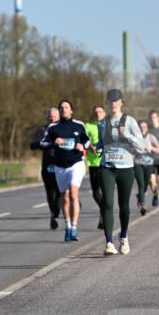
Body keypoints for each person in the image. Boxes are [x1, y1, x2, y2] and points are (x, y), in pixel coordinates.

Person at [97, 89, 145, 255]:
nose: (113, 103)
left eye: (116, 101)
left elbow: (142, 146)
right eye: (110, 101)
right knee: (107, 203)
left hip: (126, 167)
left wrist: (127, 135)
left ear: (121, 102)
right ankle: (109, 242)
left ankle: (123, 237)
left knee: (124, 205)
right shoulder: (102, 123)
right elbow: (100, 144)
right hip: (107, 167)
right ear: (107, 103)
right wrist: (94, 147)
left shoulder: (130, 121)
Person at [46, 99, 91, 242]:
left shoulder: (79, 125)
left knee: (73, 193)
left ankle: (74, 227)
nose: (64, 109)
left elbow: (87, 140)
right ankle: (67, 225)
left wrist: (82, 146)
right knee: (64, 197)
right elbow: (43, 142)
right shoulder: (53, 127)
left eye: (66, 107)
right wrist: (54, 142)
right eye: (61, 107)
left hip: (76, 164)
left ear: (71, 110)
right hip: (60, 167)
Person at [30, 107, 60, 229]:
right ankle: (53, 213)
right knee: (49, 191)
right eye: (50, 116)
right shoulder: (43, 130)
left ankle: (57, 209)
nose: (52, 118)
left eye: (54, 116)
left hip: (61, 164)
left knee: (60, 191)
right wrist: (42, 144)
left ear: (59, 116)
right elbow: (33, 144)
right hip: (47, 165)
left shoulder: (63, 128)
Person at [85, 105, 106, 229]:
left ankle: (104, 216)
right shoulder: (88, 126)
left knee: (104, 190)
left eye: (100, 111)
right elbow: (83, 139)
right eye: (96, 112)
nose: (98, 113)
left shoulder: (108, 125)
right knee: (95, 192)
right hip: (93, 163)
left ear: (104, 113)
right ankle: (104, 209)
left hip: (105, 162)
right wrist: (89, 146)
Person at [134, 119, 159, 215]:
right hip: (137, 163)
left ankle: (149, 195)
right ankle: (142, 205)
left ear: (147, 128)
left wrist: (150, 148)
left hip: (149, 163)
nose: (142, 129)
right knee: (141, 184)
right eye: (140, 127)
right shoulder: (134, 137)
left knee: (146, 184)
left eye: (144, 127)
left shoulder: (151, 137)